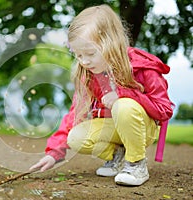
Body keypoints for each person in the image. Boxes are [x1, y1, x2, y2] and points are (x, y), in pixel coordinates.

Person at [29, 4, 174, 186]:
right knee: (75, 137)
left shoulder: (142, 67)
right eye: (78, 55)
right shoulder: (89, 75)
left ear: (111, 43)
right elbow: (75, 114)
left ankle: (136, 163)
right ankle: (117, 157)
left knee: (123, 106)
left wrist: (122, 94)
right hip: (114, 128)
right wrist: (54, 153)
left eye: (90, 53)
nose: (84, 61)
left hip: (142, 128)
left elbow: (164, 110)